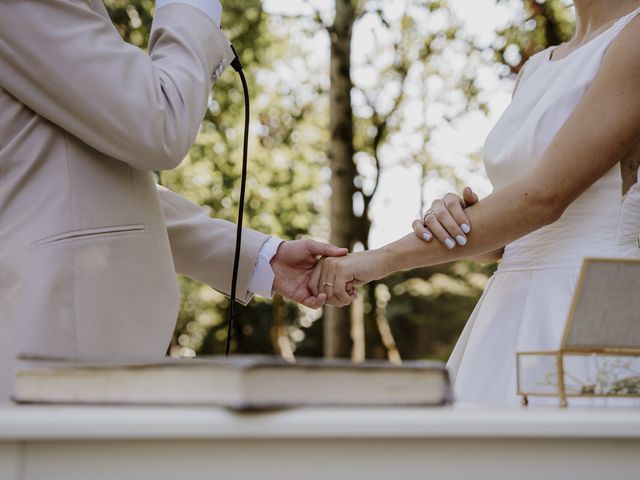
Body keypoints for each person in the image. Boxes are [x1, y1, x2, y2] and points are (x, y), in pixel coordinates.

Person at [0, 0, 351, 402]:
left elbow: (88, 187)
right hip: (56, 342)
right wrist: (189, 7)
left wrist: (261, 257)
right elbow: (158, 121)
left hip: (63, 343)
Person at [310, 0, 640, 406]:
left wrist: (380, 259)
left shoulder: (635, 36)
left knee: (582, 456)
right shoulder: (537, 68)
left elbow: (544, 199)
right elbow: (506, 241)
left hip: (602, 301)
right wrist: (457, 221)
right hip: (507, 304)